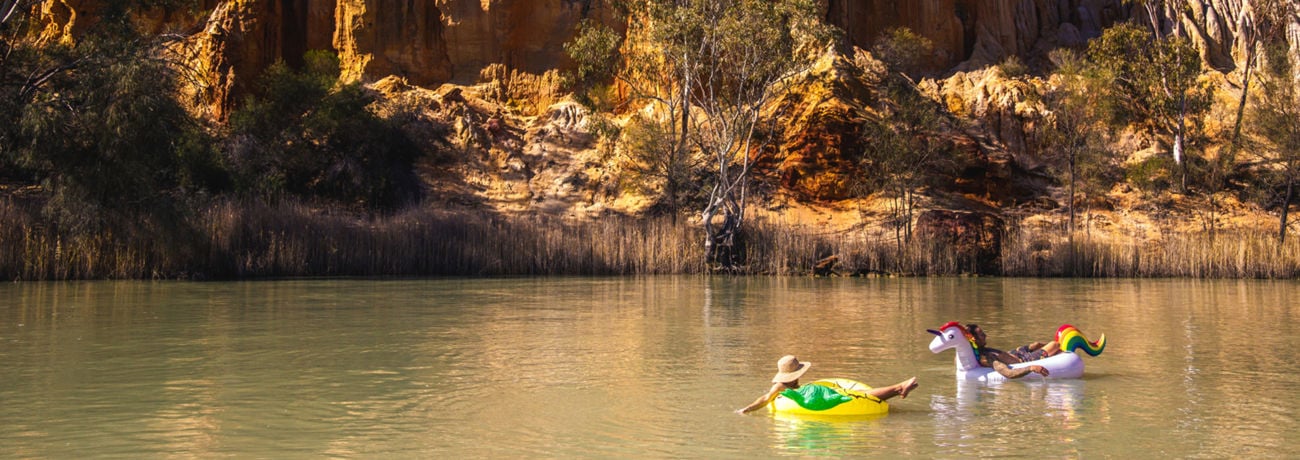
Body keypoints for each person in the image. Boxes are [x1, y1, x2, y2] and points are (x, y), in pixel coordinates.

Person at [735, 355, 918, 414]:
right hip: (820, 394)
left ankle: (898, 388)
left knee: (858, 394)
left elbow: (766, 398)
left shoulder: (782, 386)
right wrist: (747, 409)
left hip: (819, 394)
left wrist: (745, 410)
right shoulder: (781, 386)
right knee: (859, 394)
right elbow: (765, 399)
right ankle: (897, 388)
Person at [965, 323, 1052, 379]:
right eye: (982, 334)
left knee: (1036, 344)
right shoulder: (986, 358)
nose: (985, 335)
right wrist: (1030, 368)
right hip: (1023, 359)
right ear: (975, 339)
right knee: (1055, 344)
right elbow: (1008, 373)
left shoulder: (981, 349)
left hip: (1014, 353)